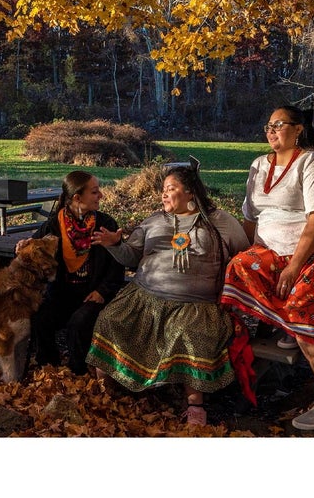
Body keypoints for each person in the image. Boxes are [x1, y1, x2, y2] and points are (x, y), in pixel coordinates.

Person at [221, 105, 314, 431]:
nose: (271, 131)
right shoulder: (257, 165)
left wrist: (294, 268)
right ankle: (284, 328)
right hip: (273, 250)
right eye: (268, 125)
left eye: (279, 125)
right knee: (236, 268)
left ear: (298, 130)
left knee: (303, 312)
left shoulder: (313, 164)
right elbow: (251, 218)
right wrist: (251, 251)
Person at [84, 160, 250, 427]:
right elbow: (130, 256)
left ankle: (195, 405)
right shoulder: (154, 221)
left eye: (170, 188)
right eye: (162, 188)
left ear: (191, 193)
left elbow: (244, 258)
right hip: (144, 297)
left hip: (196, 305)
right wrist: (115, 244)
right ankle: (106, 387)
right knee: (110, 319)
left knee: (189, 333)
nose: (163, 193)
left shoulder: (221, 222)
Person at [28, 170, 125, 376]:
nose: (101, 196)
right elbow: (34, 243)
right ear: (77, 198)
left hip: (95, 294)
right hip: (63, 293)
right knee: (40, 315)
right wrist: (24, 245)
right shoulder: (56, 223)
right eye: (95, 192)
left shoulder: (106, 224)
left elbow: (117, 267)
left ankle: (78, 372)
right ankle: (49, 367)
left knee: (78, 323)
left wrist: (102, 291)